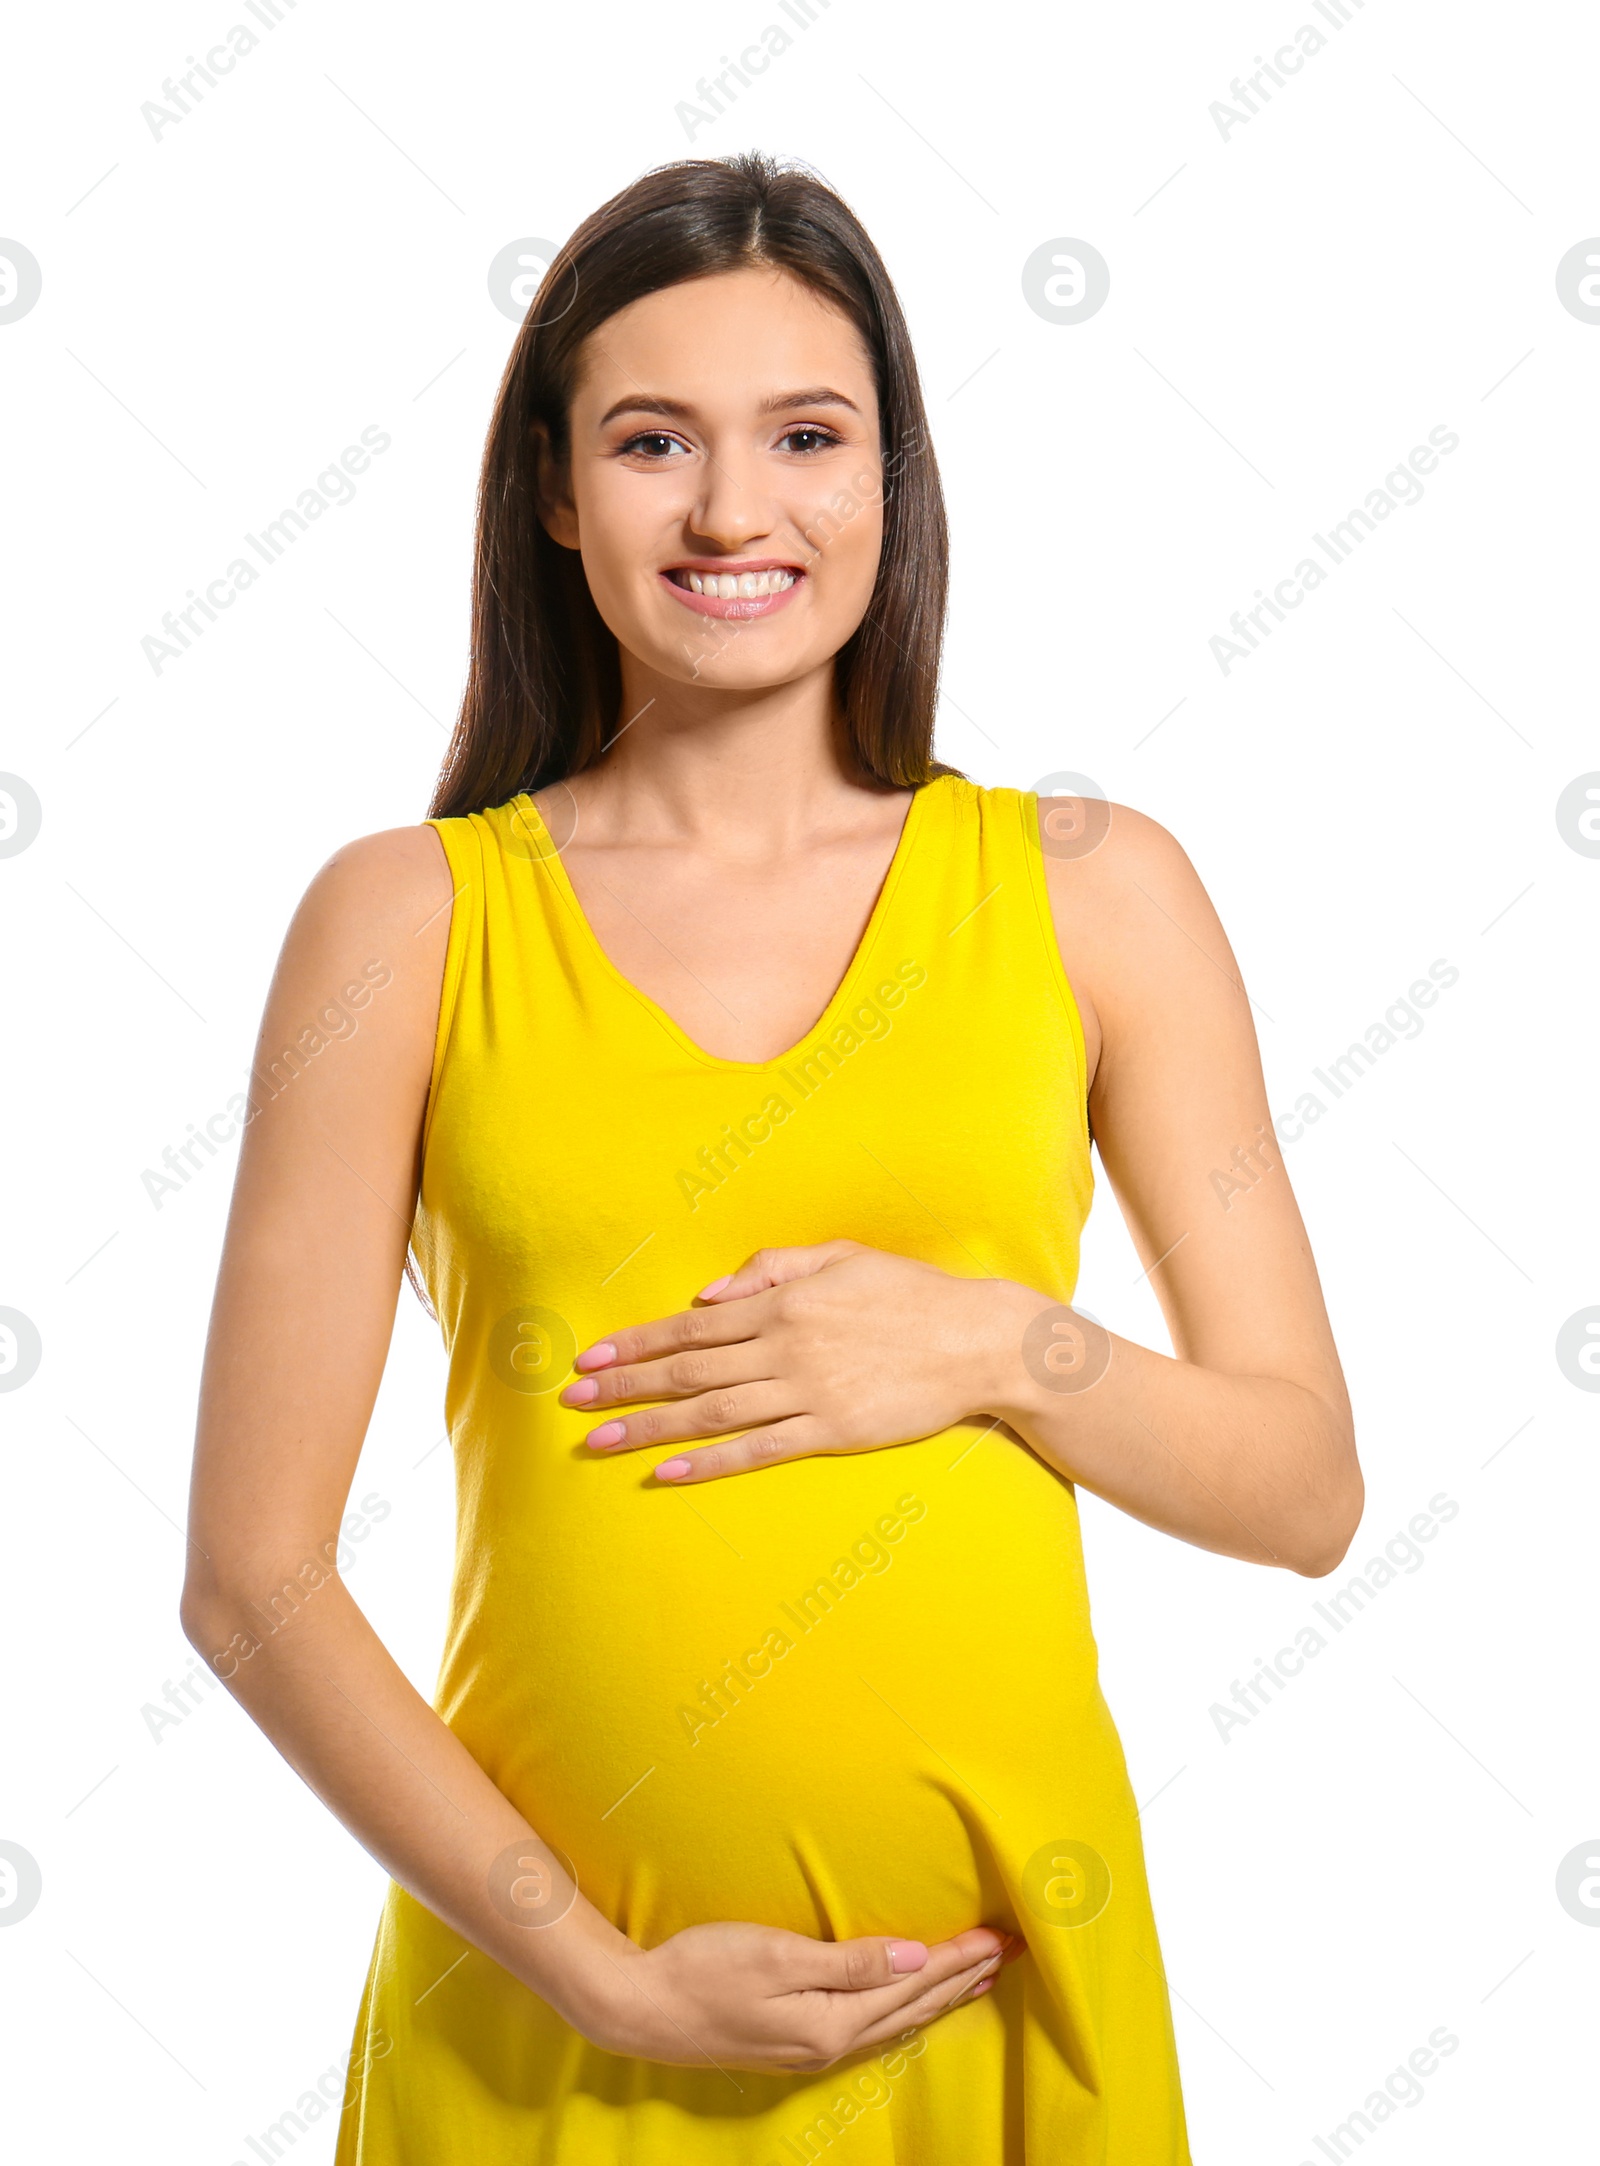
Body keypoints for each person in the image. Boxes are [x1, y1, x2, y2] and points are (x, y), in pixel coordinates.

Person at [181, 150, 1361, 2164]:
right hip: (544, 2028)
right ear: (554, 493)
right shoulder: (403, 925)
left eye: (803, 437)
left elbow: (1304, 1489)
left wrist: (1002, 1347)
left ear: (886, 479)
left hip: (996, 2019)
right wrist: (601, 1971)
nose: (732, 511)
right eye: (653, 442)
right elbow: (251, 1579)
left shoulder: (1092, 894)